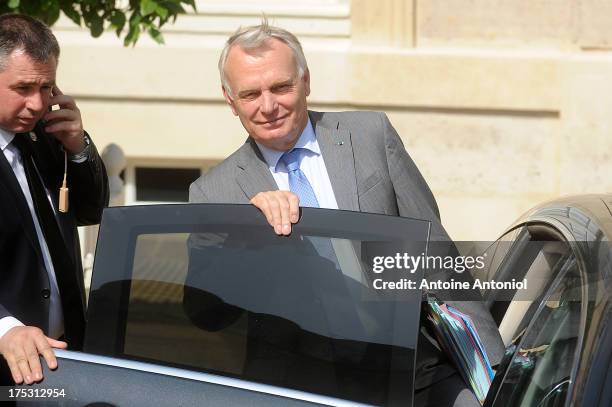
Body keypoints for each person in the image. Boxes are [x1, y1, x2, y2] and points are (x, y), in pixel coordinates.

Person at [189, 20, 503, 406]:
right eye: (251, 93)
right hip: (303, 390)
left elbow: (439, 257)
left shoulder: (370, 134)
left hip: (413, 374)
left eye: (281, 87)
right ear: (229, 98)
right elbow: (205, 313)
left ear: (306, 81)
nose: (268, 106)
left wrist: (494, 375)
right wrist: (243, 235)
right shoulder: (213, 191)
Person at [0, 14, 109, 386]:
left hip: (64, 357)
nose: (36, 103)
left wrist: (78, 148)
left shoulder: (46, 135)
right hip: (8, 364)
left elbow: (92, 210)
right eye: (23, 87)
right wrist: (4, 328)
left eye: (47, 87)